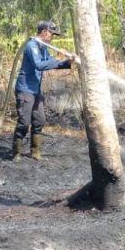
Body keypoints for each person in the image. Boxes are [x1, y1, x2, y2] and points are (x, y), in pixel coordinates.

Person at [11, 21, 75, 161]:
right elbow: (39, 65)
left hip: (35, 90)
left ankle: (35, 152)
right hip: (25, 89)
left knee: (39, 119)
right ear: (45, 32)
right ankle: (16, 153)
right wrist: (58, 57)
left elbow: (50, 63)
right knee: (24, 122)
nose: (52, 37)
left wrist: (67, 62)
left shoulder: (43, 48)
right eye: (52, 34)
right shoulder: (31, 45)